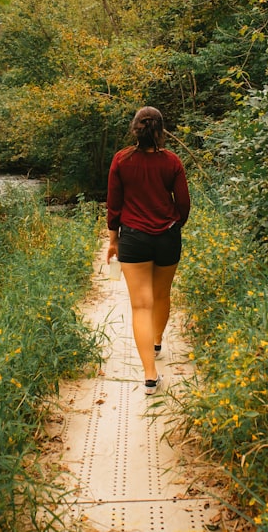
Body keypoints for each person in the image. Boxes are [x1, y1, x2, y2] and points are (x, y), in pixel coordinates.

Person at [106, 106, 190, 395]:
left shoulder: (121, 160)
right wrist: (174, 223)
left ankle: (150, 376)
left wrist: (113, 239)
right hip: (167, 236)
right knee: (161, 295)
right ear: (161, 130)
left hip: (133, 238)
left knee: (141, 305)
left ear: (135, 129)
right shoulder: (171, 162)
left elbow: (114, 204)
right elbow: (184, 203)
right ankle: (156, 342)